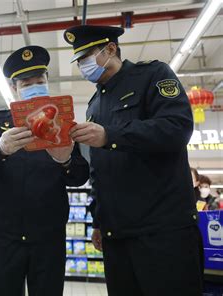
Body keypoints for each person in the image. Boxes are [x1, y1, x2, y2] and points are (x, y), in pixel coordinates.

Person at [64, 25, 202, 296]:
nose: (83, 65)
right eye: (79, 61)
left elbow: (177, 127)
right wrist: (99, 221)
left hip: (162, 231)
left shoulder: (152, 75)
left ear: (111, 49)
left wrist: (110, 135)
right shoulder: (94, 105)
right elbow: (100, 171)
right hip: (116, 237)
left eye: (87, 56)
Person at [0, 45, 89, 296]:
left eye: (39, 80)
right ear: (14, 88)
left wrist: (66, 160)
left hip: (49, 235)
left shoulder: (63, 124)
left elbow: (80, 176)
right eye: (26, 82)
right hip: (4, 235)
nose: (34, 86)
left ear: (47, 80)